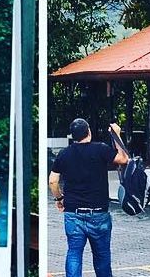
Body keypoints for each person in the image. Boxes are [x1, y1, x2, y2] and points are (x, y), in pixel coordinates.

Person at [49, 118, 128, 277]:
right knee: (102, 255)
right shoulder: (100, 149)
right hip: (98, 213)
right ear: (89, 132)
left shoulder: (64, 154)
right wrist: (116, 135)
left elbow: (52, 181)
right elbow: (124, 159)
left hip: (73, 214)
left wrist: (59, 199)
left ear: (72, 136)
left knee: (74, 253)